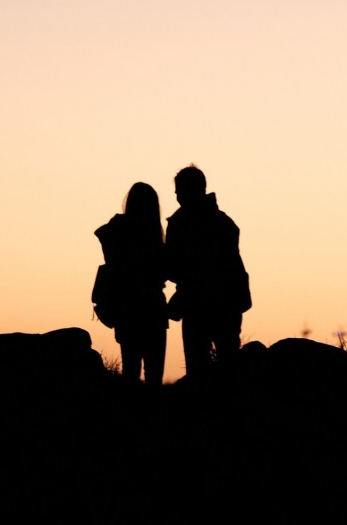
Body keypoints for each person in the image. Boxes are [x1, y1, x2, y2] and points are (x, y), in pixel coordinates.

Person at [165, 164, 251, 378]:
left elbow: (174, 267)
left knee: (198, 368)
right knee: (228, 364)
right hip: (228, 302)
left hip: (197, 304)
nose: (177, 196)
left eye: (179, 191)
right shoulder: (224, 222)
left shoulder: (179, 224)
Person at [95, 182, 168, 386]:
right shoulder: (153, 234)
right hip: (152, 308)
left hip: (127, 309)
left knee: (130, 373)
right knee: (154, 376)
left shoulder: (118, 230)